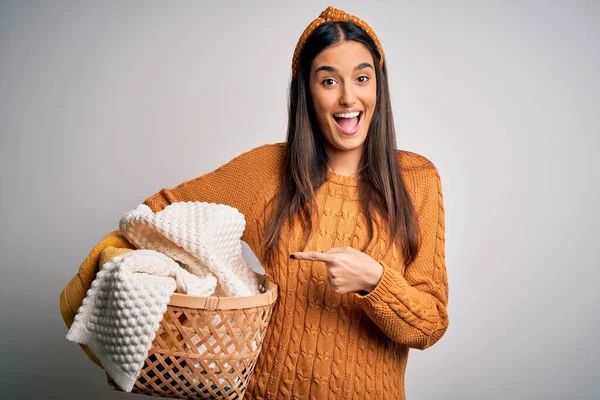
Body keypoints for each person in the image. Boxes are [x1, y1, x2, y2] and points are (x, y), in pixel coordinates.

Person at [60, 6, 449, 400]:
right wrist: (123, 269)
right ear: (307, 92)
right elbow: (157, 215)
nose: (349, 96)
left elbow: (430, 325)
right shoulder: (266, 170)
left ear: (378, 86)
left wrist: (375, 282)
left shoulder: (417, 180)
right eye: (328, 81)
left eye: (362, 78)